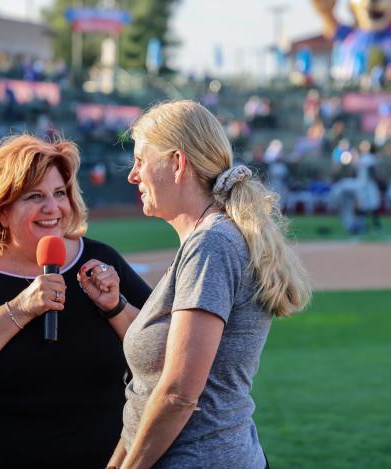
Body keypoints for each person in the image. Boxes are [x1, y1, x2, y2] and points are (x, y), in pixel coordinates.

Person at [0, 134, 151, 468]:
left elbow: (162, 348)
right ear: (1, 211)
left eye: (59, 193)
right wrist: (18, 309)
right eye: (34, 196)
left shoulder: (100, 260)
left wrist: (116, 307)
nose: (52, 208)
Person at [108, 100, 311, 469]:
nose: (132, 175)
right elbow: (154, 383)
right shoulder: (206, 241)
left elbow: (179, 394)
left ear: (177, 163)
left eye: (140, 160)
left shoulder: (211, 245)